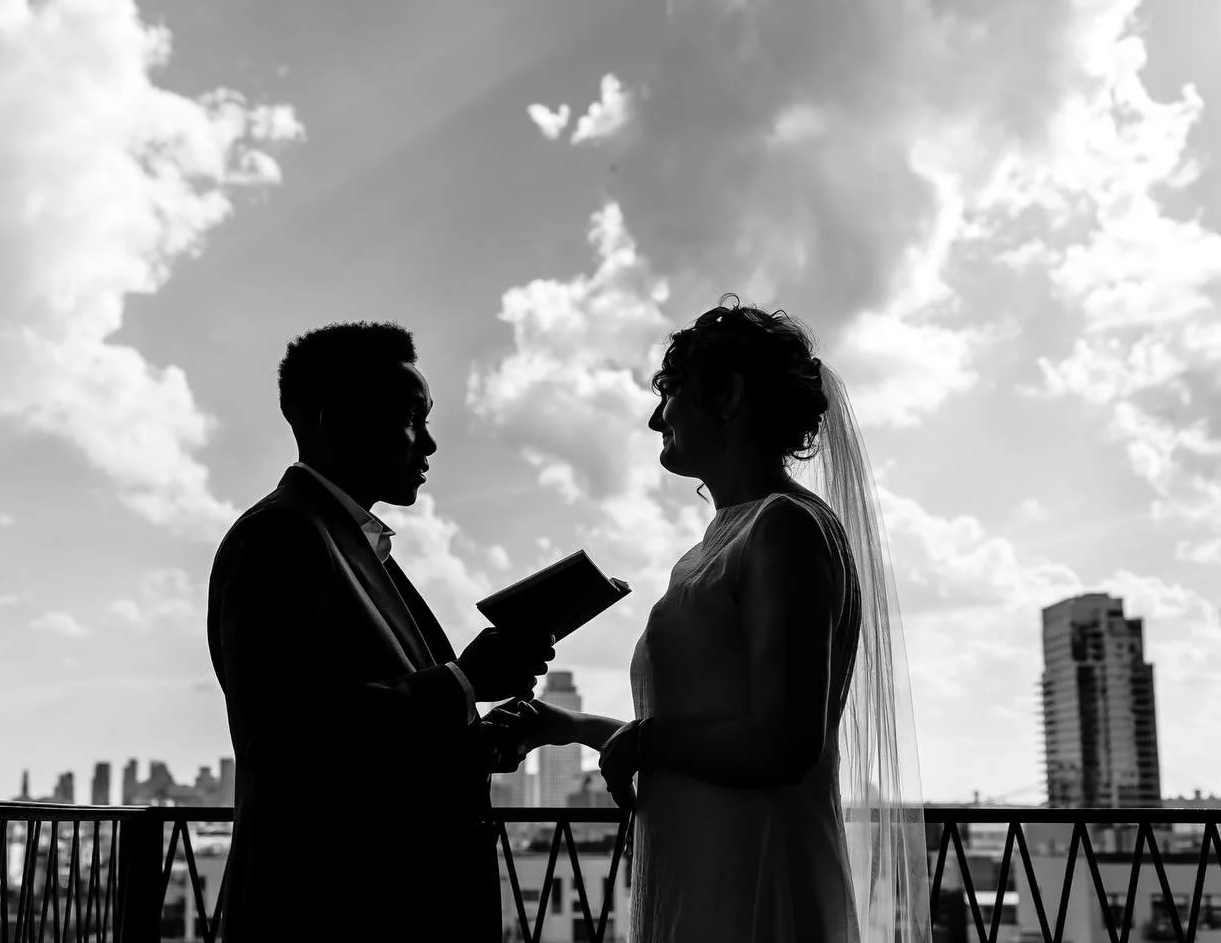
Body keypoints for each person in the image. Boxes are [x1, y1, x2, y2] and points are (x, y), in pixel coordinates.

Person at [491, 299, 932, 942]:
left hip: (747, 871)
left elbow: (782, 744)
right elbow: (708, 735)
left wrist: (644, 742)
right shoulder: (717, 545)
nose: (653, 418)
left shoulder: (785, 528)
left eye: (668, 393)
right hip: (699, 860)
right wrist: (570, 726)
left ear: (726, 395)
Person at [207, 321, 554, 942]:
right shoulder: (280, 537)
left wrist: (477, 739)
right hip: (338, 910)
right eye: (412, 417)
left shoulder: (350, 546)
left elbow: (365, 747)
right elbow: (288, 739)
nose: (431, 443)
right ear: (332, 417)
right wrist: (463, 682)